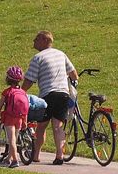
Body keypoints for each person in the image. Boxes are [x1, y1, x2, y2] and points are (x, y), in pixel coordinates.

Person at [21, 30, 78, 164]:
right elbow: (74, 74)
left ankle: (36, 155)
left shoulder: (38, 57)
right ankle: (59, 155)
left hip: (48, 94)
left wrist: (20, 92)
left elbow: (29, 80)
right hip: (64, 94)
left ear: (44, 41)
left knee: (41, 126)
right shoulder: (61, 54)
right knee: (58, 126)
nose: (33, 41)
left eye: (36, 39)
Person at [0, 65, 30, 168]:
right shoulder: (23, 92)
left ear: (8, 79)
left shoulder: (7, 92)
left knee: (11, 139)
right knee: (15, 137)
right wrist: (25, 121)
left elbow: (0, 105)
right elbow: (25, 108)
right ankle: (9, 158)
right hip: (19, 118)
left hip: (9, 118)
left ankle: (15, 160)